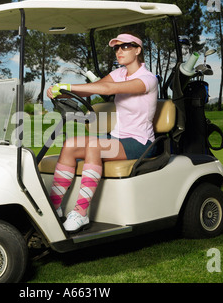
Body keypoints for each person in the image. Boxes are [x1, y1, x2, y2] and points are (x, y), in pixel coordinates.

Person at [46, 33, 158, 233]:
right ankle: (54, 207)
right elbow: (92, 89)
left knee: (94, 146)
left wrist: (68, 86)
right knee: (70, 144)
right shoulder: (119, 74)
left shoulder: (148, 79)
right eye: (116, 48)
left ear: (137, 50)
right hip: (116, 138)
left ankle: (81, 213)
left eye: (125, 47)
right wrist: (60, 92)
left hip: (140, 142)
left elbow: (106, 88)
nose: (119, 52)